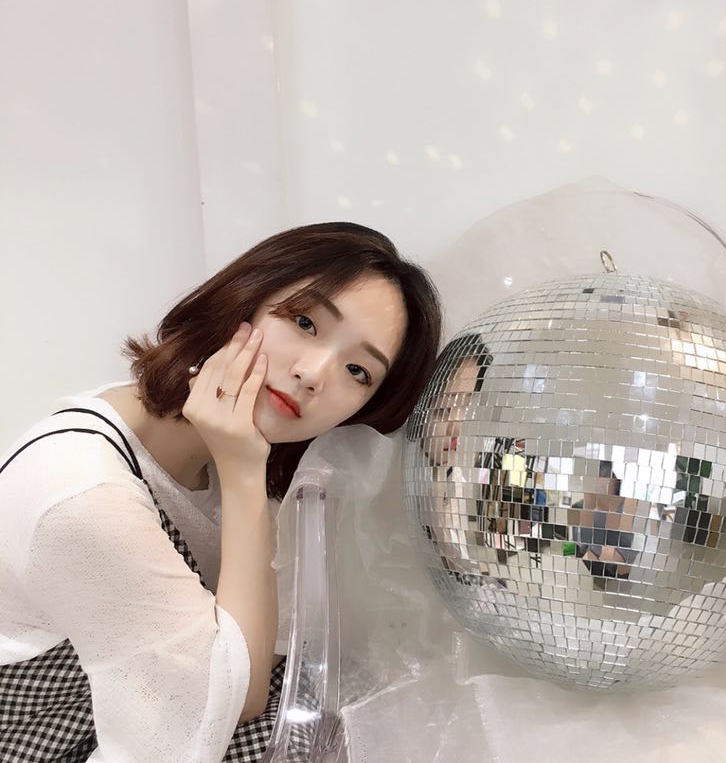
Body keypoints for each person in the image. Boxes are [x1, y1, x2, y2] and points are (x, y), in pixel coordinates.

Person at [0, 222, 442, 763]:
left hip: (125, 703)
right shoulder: (81, 492)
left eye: (357, 370)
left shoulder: (222, 445)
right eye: (305, 322)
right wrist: (242, 475)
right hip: (37, 736)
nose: (312, 374)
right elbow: (234, 701)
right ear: (244, 300)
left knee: (356, 697)